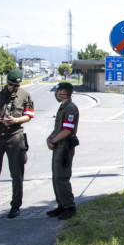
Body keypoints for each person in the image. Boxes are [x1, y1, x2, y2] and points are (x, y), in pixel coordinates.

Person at [0, 69, 34, 219]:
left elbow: (29, 115)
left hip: (15, 135)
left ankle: (15, 205)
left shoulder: (25, 95)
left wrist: (16, 120)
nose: (13, 87)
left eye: (16, 85)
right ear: (7, 81)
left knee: (17, 173)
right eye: (11, 84)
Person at [46, 81, 79, 220]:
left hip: (64, 146)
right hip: (58, 145)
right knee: (56, 177)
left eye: (58, 90)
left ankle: (69, 207)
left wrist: (54, 140)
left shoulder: (70, 108)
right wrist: (50, 138)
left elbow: (67, 130)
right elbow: (58, 127)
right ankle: (61, 205)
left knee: (62, 177)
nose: (57, 93)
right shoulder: (63, 107)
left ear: (63, 92)